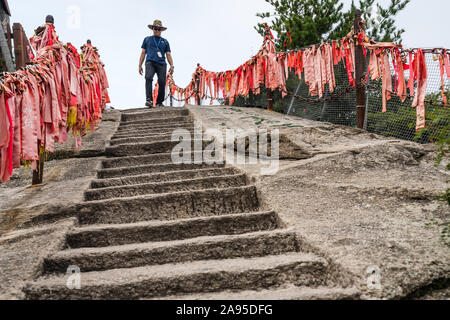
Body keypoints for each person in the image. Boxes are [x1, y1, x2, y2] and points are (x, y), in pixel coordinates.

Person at [139, 20, 174, 108]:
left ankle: (159, 102)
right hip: (150, 62)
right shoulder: (147, 39)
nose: (157, 30)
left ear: (161, 30)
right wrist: (140, 65)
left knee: (162, 81)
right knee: (148, 77)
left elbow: (168, 54)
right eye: (155, 28)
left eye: (159, 29)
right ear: (153, 29)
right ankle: (149, 99)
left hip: (161, 63)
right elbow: (143, 52)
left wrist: (172, 65)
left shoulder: (165, 41)